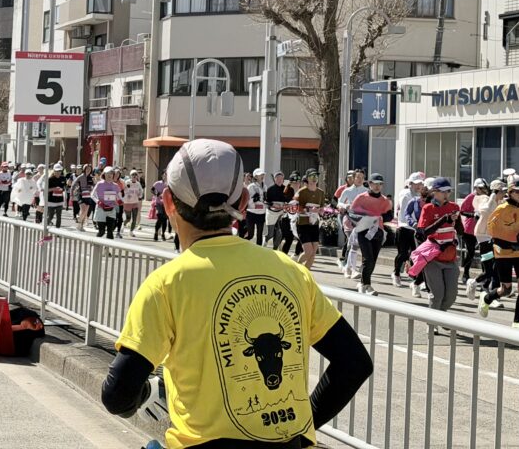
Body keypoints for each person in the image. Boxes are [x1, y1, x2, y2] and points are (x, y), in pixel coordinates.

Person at [101, 139, 372, 447]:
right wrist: (304, 421)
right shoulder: (291, 270)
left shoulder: (166, 284)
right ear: (243, 202)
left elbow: (117, 397)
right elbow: (355, 363)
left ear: (168, 202)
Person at [479, 175, 519, 330]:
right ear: (510, 192)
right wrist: (509, 244)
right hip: (503, 253)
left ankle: (517, 322)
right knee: (506, 289)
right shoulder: (501, 210)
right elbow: (491, 231)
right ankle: (486, 298)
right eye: (517, 191)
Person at [417, 177, 463, 312]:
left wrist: (458, 218)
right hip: (433, 258)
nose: (446, 194)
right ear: (434, 192)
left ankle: (440, 318)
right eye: (443, 191)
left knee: (451, 296)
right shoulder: (428, 208)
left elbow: (460, 231)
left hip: (451, 257)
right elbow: (422, 233)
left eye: (448, 191)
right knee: (437, 295)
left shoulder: (454, 207)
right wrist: (444, 219)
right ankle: (432, 324)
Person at [347, 173, 393, 295]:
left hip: (378, 232)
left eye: (380, 184)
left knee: (373, 259)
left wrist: (380, 216)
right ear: (369, 184)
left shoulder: (384, 200)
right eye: (374, 184)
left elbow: (389, 215)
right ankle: (367, 285)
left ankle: (364, 283)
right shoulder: (361, 197)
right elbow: (351, 213)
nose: (377, 187)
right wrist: (364, 218)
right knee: (368, 259)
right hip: (363, 231)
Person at [467, 179, 506, 304]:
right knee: (489, 270)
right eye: (501, 192)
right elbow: (484, 210)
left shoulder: (500, 202)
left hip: (493, 236)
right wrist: (493, 196)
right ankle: (473, 282)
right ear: (495, 191)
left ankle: (492, 295)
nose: (503, 194)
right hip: (483, 237)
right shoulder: (485, 200)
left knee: (496, 269)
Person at [392, 172, 424, 288]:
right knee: (403, 253)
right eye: (416, 184)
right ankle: (396, 274)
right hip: (404, 227)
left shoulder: (420, 196)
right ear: (410, 184)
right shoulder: (406, 195)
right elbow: (405, 213)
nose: (418, 186)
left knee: (415, 254)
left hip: (415, 229)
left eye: (420, 184)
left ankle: (416, 278)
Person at [337, 170, 368, 277]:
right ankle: (351, 269)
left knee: (355, 244)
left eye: (362, 177)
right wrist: (346, 206)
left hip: (362, 221)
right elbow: (339, 202)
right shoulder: (347, 191)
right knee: (352, 243)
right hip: (349, 219)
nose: (360, 179)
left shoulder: (366, 191)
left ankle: (348, 268)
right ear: (353, 178)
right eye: (358, 177)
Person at [294, 169, 327, 269]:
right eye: (312, 176)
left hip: (314, 224)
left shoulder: (321, 193)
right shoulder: (301, 192)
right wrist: (308, 209)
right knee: (308, 252)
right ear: (307, 178)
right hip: (303, 224)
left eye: (316, 176)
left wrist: (320, 211)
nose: (314, 179)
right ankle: (297, 269)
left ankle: (306, 274)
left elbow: (322, 207)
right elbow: (295, 207)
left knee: (313, 253)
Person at [458, 178, 488, 284]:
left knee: (485, 253)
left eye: (484, 188)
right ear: (475, 188)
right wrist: (472, 215)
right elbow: (462, 211)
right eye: (480, 188)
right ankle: (465, 273)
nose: (483, 190)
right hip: (469, 229)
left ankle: (485, 275)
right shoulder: (470, 197)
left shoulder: (486, 197)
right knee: (470, 252)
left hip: (482, 229)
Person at [92, 167, 122, 239]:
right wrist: (98, 202)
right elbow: (92, 195)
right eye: (108, 173)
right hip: (101, 209)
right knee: (101, 232)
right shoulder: (100, 184)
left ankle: (106, 249)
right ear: (104, 175)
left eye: (111, 173)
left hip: (111, 209)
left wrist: (120, 201)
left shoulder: (115, 185)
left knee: (110, 232)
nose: (109, 175)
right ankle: (95, 245)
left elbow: (119, 197)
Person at [244, 168, 267, 246]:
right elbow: (247, 199)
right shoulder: (251, 186)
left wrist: (267, 202)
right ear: (255, 176)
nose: (262, 176)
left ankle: (259, 251)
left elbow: (265, 199)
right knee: (251, 235)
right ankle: (242, 245)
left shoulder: (265, 186)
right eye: (260, 175)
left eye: (263, 174)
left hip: (261, 213)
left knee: (259, 235)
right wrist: (254, 199)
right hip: (251, 213)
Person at [264, 171, 287, 250]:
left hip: (281, 212)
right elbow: (266, 201)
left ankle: (275, 249)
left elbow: (288, 200)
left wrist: (284, 205)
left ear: (283, 179)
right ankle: (265, 242)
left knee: (279, 231)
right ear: (274, 179)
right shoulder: (270, 189)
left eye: (281, 178)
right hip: (271, 212)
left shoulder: (285, 189)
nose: (279, 180)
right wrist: (273, 205)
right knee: (270, 233)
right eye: (277, 178)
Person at [71, 164, 95, 231]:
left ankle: (80, 224)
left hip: (88, 195)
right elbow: (73, 185)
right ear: (84, 169)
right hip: (80, 195)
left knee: (85, 212)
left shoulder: (91, 178)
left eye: (90, 169)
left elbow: (94, 186)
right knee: (84, 210)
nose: (88, 170)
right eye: (87, 169)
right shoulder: (81, 177)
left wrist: (93, 185)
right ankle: (79, 222)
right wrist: (71, 195)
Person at [45, 163, 68, 228]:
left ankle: (58, 230)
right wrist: (54, 189)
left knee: (59, 216)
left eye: (59, 171)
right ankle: (45, 228)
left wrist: (64, 188)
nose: (58, 172)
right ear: (54, 171)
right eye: (57, 171)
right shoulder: (50, 179)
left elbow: (64, 187)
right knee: (50, 216)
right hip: (51, 201)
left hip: (60, 200)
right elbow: (46, 190)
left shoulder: (63, 178)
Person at [122, 170, 143, 236]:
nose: (134, 176)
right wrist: (126, 190)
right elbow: (123, 190)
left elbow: (141, 191)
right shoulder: (127, 182)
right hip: (127, 202)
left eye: (135, 175)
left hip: (135, 202)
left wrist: (140, 196)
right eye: (133, 175)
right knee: (128, 218)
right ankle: (123, 225)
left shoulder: (138, 184)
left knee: (134, 219)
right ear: (130, 176)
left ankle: (131, 232)